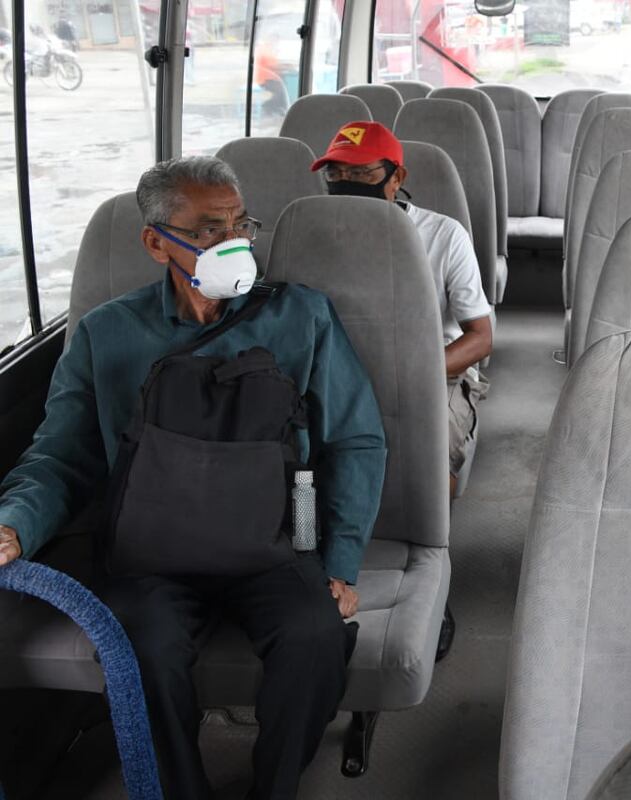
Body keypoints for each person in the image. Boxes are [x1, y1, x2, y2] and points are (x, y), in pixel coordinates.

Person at [0, 157, 387, 800]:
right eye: (209, 231)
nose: (233, 243)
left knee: (315, 637)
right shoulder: (106, 333)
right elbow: (61, 456)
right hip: (148, 551)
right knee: (139, 648)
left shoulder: (302, 317)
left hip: (274, 538)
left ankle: (275, 786)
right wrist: (15, 522)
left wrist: (340, 560)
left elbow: (355, 439)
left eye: (242, 225)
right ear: (157, 243)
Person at [310, 121, 493, 497]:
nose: (347, 182)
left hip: (431, 368)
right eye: (336, 173)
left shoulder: (443, 235)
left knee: (428, 453)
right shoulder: (311, 235)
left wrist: (413, 375)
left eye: (362, 173)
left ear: (397, 178)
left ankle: (428, 539)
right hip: (337, 368)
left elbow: (480, 337)